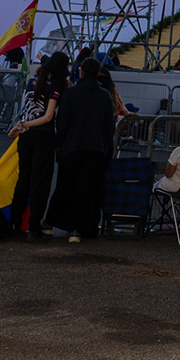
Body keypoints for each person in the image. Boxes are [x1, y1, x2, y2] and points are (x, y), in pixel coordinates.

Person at [47, 56, 117, 241]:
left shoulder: (71, 93)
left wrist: (60, 145)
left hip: (72, 147)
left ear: (81, 72)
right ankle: (83, 228)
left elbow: (62, 122)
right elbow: (109, 125)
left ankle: (59, 223)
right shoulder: (104, 95)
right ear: (97, 73)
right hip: (96, 148)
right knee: (88, 190)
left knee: (66, 186)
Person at [7, 55, 65, 236]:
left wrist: (22, 126)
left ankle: (15, 223)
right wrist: (24, 125)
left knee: (23, 179)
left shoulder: (32, 81)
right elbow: (48, 117)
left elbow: (27, 110)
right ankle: (34, 225)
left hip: (26, 136)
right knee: (40, 183)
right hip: (44, 137)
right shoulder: (55, 85)